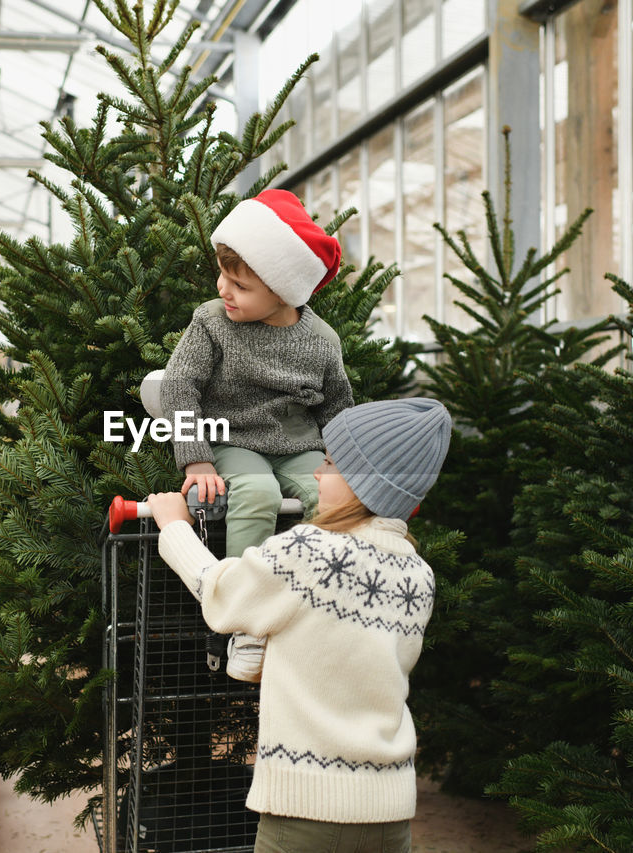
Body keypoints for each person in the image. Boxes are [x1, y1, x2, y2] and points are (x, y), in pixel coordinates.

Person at [146, 397, 452, 853]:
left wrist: (173, 526)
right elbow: (346, 656)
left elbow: (223, 594)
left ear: (360, 483)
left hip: (310, 809)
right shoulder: (417, 574)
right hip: (390, 812)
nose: (316, 473)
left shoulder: (310, 550)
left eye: (330, 463)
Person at [159, 188, 354, 682]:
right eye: (223, 275)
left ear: (285, 292)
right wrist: (195, 458)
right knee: (257, 492)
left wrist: (345, 462)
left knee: (327, 499)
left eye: (240, 285)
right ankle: (247, 624)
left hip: (298, 446)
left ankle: (319, 616)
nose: (224, 289)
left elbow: (336, 406)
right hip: (232, 442)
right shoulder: (210, 322)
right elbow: (180, 385)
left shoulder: (321, 341)